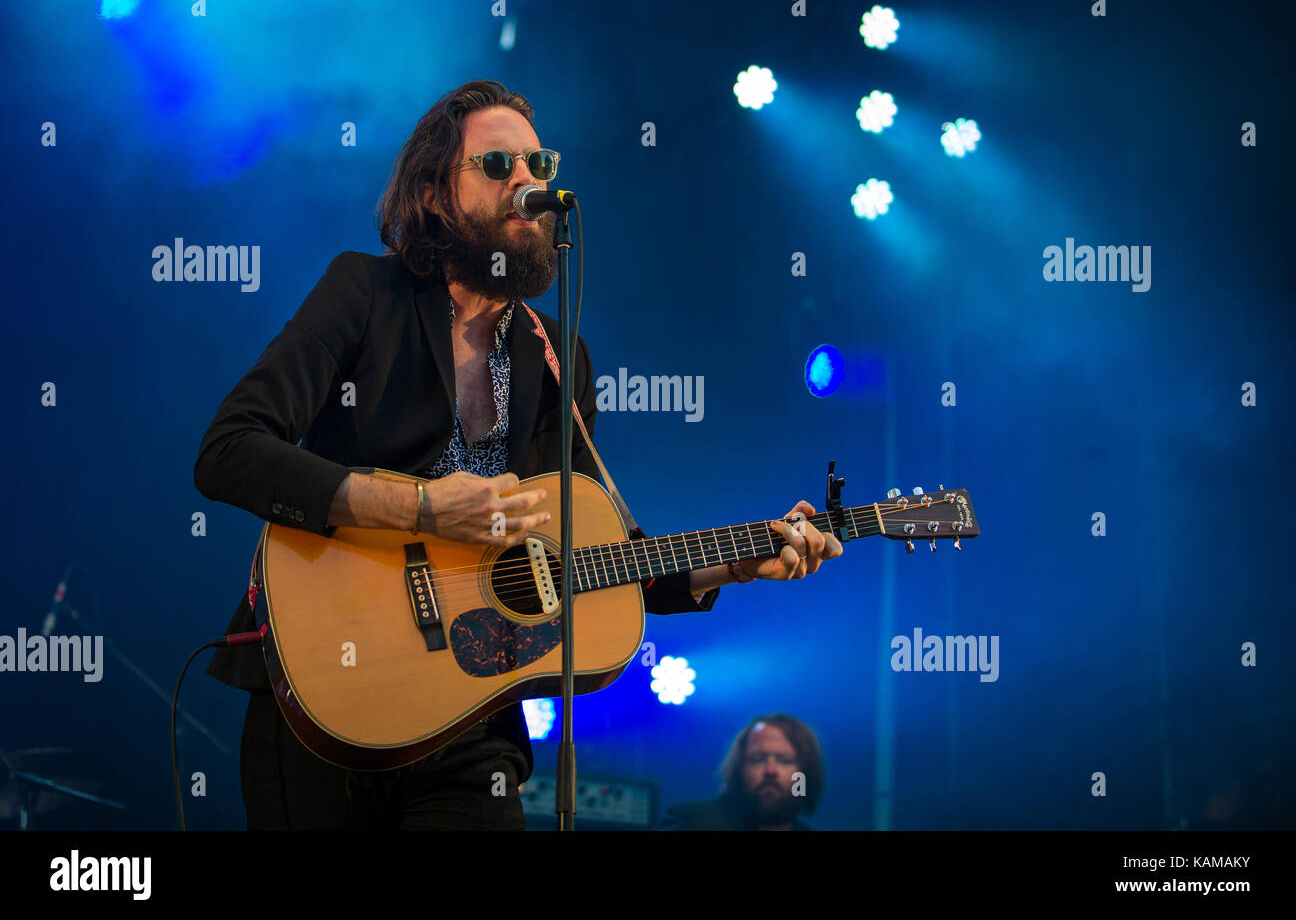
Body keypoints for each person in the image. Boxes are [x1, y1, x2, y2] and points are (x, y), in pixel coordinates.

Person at [193, 79, 843, 830]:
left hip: (475, 713)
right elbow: (230, 451)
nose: (529, 182)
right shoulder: (364, 294)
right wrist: (422, 507)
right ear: (434, 195)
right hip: (327, 686)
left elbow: (600, 554)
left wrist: (734, 561)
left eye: (540, 165)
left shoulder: (560, 356)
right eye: (499, 165)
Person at [660, 713, 824, 830]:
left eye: (784, 760)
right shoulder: (692, 822)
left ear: (805, 774)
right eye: (757, 759)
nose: (770, 770)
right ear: (739, 769)